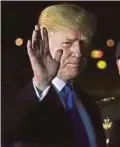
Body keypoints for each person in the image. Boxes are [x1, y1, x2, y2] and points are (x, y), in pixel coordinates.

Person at [4, 3, 106, 147]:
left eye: (83, 43)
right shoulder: (13, 95)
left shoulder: (88, 102)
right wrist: (40, 84)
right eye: (67, 43)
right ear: (42, 42)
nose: (78, 52)